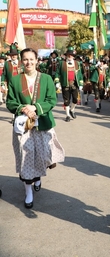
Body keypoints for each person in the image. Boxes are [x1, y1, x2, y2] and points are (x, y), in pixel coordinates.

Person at [6, 48, 65, 209]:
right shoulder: (15, 80)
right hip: (23, 126)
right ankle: (28, 192)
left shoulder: (46, 78)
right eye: (25, 59)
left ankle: (38, 176)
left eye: (31, 59)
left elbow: (52, 99)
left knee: (42, 155)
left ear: (37, 60)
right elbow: (10, 102)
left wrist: (36, 108)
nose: (28, 62)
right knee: (25, 158)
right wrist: (23, 109)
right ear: (21, 61)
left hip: (42, 123)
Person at [54, 47, 83, 122]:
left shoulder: (77, 63)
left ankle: (72, 110)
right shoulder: (61, 63)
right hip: (65, 84)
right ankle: (67, 115)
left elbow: (80, 74)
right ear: (66, 55)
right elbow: (57, 73)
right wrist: (57, 82)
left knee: (75, 99)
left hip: (74, 84)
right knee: (66, 101)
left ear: (73, 56)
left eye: (71, 55)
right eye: (68, 55)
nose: (70, 56)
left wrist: (80, 83)